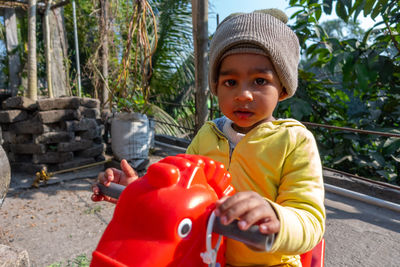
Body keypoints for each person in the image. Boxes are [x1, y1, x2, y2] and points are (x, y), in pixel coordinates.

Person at [92, 9, 325, 267]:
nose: (243, 94)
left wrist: (277, 218)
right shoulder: (207, 135)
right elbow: (178, 187)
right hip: (206, 254)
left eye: (260, 81)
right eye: (230, 82)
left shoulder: (294, 142)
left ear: (282, 88)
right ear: (216, 86)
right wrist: (139, 189)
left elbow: (310, 220)